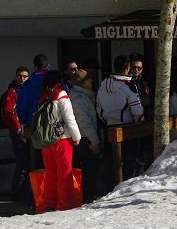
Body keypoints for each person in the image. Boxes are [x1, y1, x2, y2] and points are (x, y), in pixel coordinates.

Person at [38, 70, 81, 211]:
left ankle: (49, 203)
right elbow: (69, 118)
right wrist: (77, 137)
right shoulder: (61, 94)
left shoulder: (43, 95)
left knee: (50, 173)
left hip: (46, 140)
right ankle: (64, 205)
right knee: (64, 174)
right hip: (62, 139)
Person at [69, 68, 101, 203]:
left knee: (90, 171)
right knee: (88, 171)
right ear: (82, 82)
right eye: (89, 79)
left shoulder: (85, 95)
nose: (92, 81)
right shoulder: (78, 97)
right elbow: (84, 121)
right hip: (84, 139)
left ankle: (88, 197)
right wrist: (95, 141)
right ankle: (87, 199)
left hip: (85, 138)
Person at [0, 66, 30, 200]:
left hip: (27, 129)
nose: (22, 79)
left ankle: (22, 189)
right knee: (22, 160)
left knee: (26, 160)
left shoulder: (27, 90)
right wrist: (18, 128)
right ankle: (17, 191)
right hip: (18, 130)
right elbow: (8, 112)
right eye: (19, 76)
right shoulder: (12, 92)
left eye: (24, 76)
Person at [97, 56, 144, 125]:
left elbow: (98, 107)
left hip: (108, 126)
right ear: (128, 68)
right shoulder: (129, 86)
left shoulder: (102, 85)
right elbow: (137, 112)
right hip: (126, 127)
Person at [127, 53, 152, 121]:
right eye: (133, 67)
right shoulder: (125, 83)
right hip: (130, 119)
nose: (136, 70)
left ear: (142, 69)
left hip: (145, 118)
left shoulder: (145, 82)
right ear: (128, 67)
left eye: (139, 68)